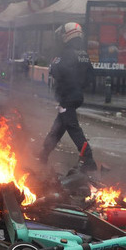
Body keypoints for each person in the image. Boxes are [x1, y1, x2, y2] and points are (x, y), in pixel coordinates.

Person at [39, 22, 97, 171]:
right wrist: (78, 85)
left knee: (72, 127)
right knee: (59, 126)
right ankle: (44, 153)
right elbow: (90, 76)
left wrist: (67, 87)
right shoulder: (83, 53)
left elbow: (56, 71)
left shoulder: (65, 53)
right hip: (76, 95)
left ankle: (88, 159)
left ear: (68, 34)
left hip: (67, 96)